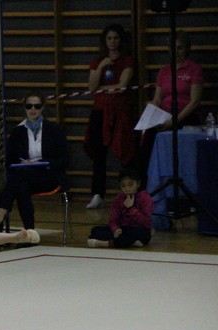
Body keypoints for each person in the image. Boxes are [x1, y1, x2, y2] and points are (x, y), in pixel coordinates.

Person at [0, 93, 67, 234]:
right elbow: (10, 161)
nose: (33, 109)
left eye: (37, 106)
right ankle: (29, 230)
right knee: (21, 185)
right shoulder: (17, 132)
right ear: (24, 108)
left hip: (48, 175)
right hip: (25, 175)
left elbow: (63, 159)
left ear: (42, 108)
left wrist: (42, 162)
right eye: (29, 106)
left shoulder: (54, 130)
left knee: (18, 181)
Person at [137, 31, 203, 188]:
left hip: (185, 115)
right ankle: (143, 187)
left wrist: (174, 120)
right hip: (164, 115)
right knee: (144, 141)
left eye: (180, 48)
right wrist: (150, 113)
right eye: (172, 48)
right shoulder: (164, 71)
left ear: (187, 49)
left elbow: (194, 101)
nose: (176, 52)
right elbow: (157, 99)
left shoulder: (194, 69)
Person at [84, 24, 136, 209]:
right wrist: (101, 68)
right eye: (109, 38)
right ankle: (98, 194)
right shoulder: (98, 61)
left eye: (116, 38)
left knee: (125, 151)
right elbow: (91, 88)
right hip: (100, 111)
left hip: (120, 111)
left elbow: (121, 86)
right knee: (99, 154)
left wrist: (103, 88)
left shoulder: (127, 60)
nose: (112, 42)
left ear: (120, 40)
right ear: (104, 41)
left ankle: (129, 193)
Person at [87, 174, 152, 248]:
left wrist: (131, 209)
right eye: (123, 186)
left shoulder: (145, 198)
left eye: (130, 185)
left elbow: (146, 222)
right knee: (95, 230)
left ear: (138, 184)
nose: (127, 188)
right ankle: (131, 242)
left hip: (139, 229)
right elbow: (113, 219)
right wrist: (115, 229)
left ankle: (105, 243)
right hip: (123, 229)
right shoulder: (119, 198)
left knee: (138, 234)